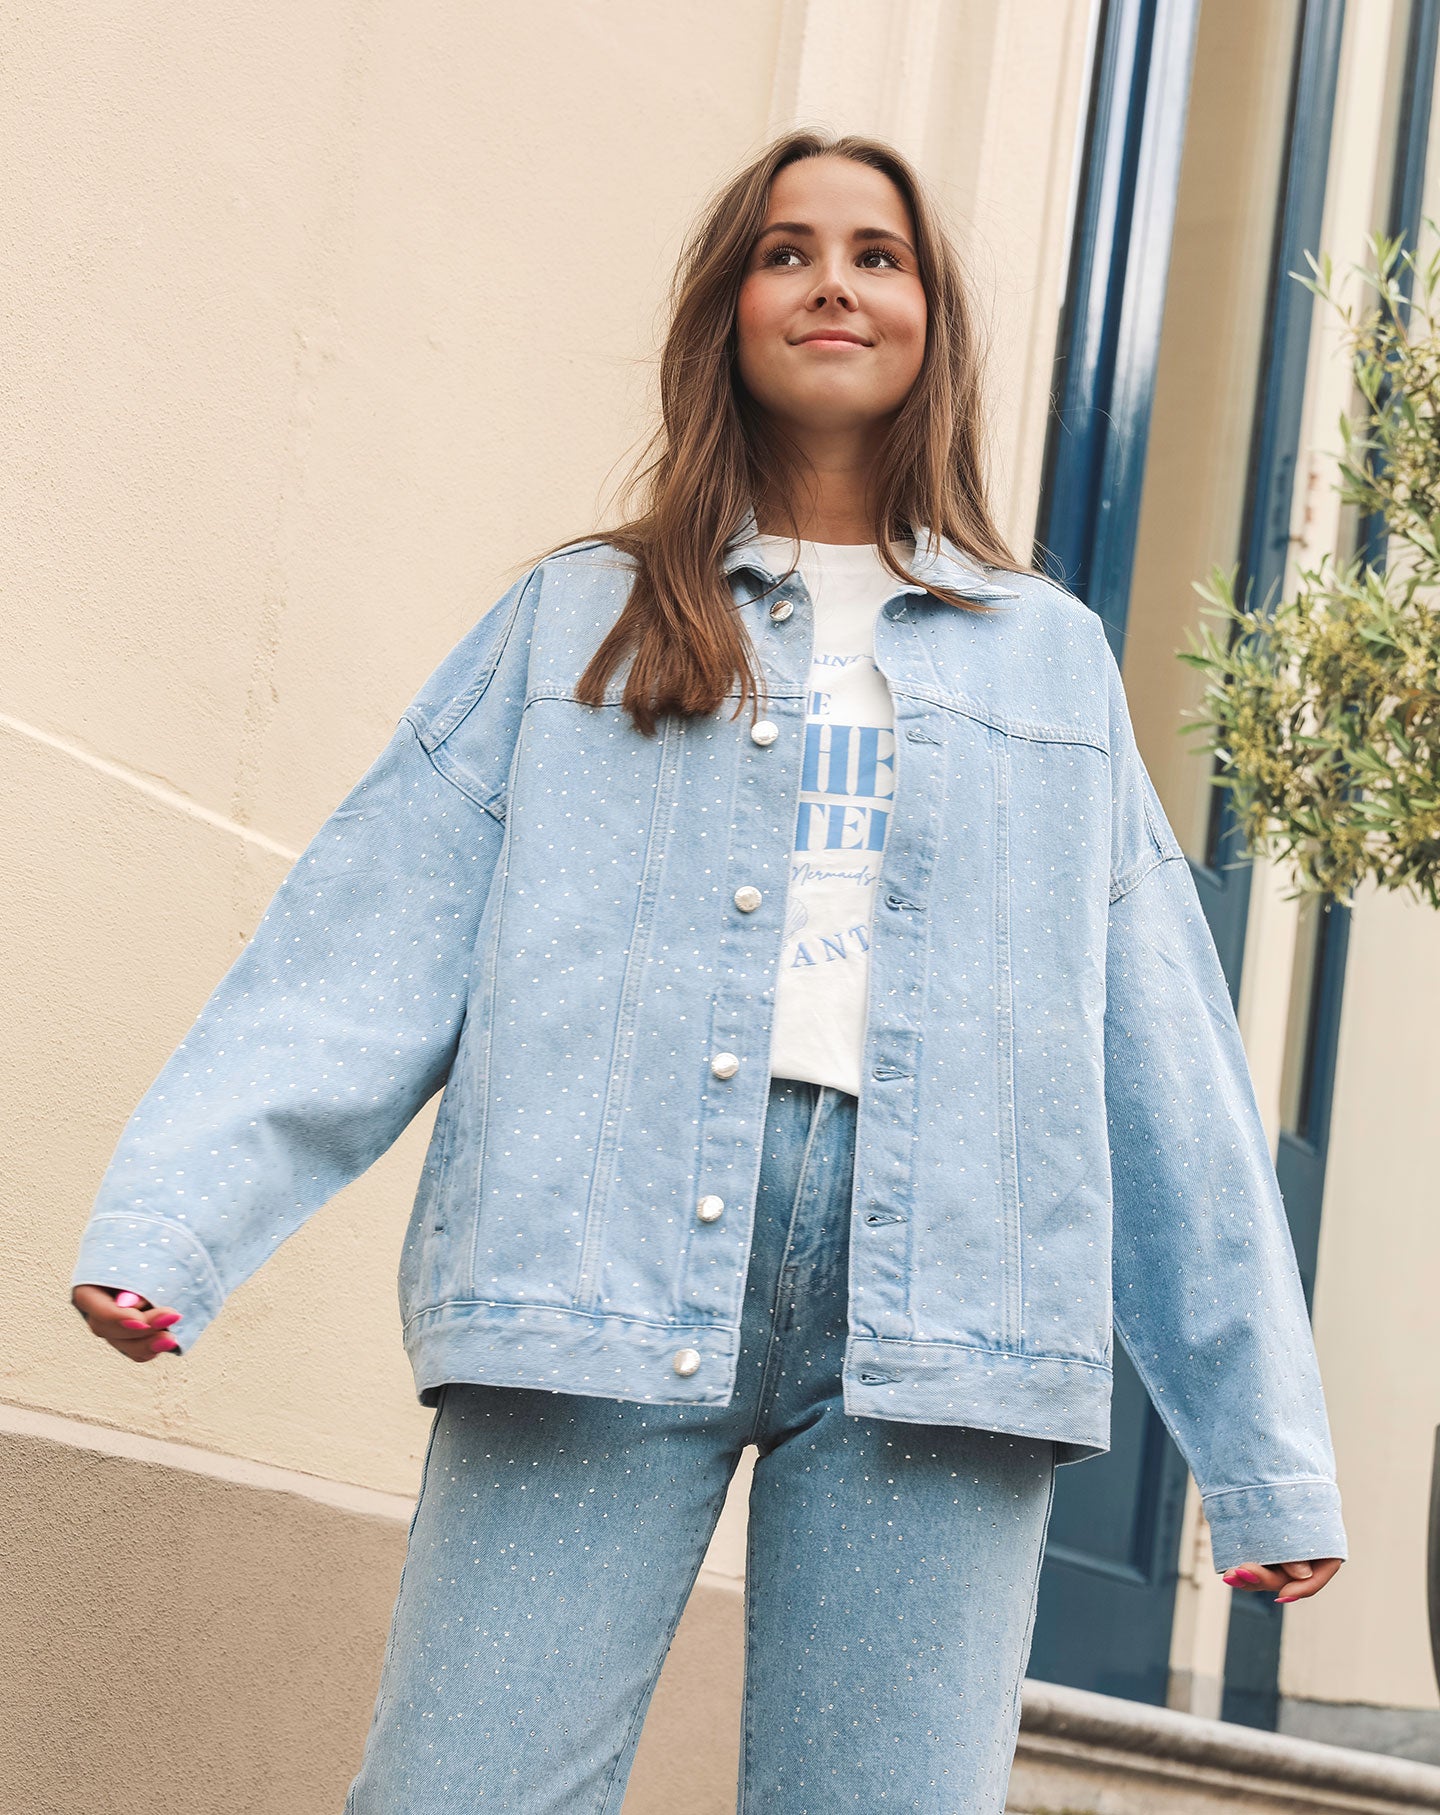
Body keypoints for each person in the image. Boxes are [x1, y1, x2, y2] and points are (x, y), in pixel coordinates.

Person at [70, 129, 1346, 1813]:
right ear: (727, 313)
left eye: (878, 254)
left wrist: (1261, 1450)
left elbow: (1161, 1045)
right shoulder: (577, 618)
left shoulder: (1048, 660)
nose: (833, 283)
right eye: (786, 251)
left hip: (948, 1306)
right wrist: (177, 1222)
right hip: (592, 1260)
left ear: (934, 320)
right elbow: (364, 936)